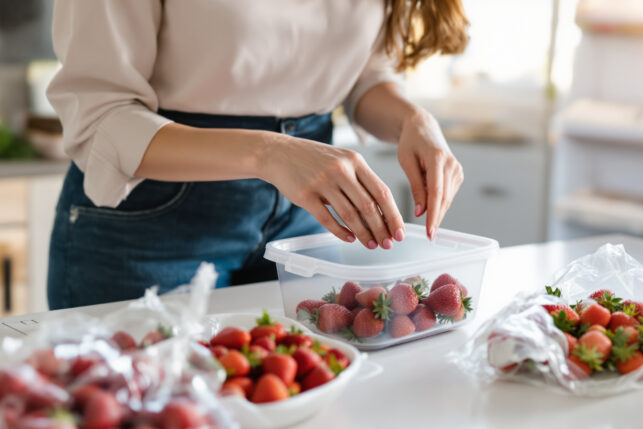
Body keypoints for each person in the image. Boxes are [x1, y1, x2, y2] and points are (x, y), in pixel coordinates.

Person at [46, 0, 468, 310]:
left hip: (305, 218)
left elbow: (366, 77)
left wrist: (413, 120)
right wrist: (270, 152)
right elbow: (101, 115)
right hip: (150, 222)